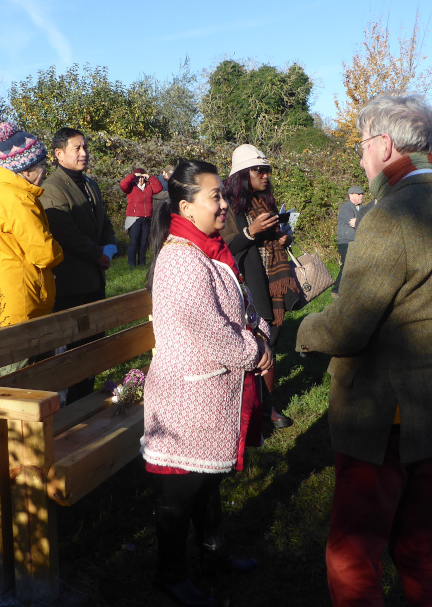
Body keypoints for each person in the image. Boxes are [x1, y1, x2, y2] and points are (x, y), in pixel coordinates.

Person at [295, 94, 432, 606]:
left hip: (386, 419)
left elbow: (346, 329)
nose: (360, 159)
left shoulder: (391, 216)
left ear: (383, 144)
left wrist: (298, 332)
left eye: (362, 146)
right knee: (421, 548)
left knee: (353, 556)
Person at [141, 160, 271, 606]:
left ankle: (213, 555)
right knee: (180, 492)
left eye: (220, 195)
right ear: (185, 206)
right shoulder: (180, 258)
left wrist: (259, 331)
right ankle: (170, 574)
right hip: (185, 400)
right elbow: (209, 330)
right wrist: (255, 352)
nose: (223, 203)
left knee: (207, 482)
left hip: (211, 395)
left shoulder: (212, 249)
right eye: (214, 196)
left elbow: (243, 305)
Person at [221, 144, 300, 429]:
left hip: (270, 276)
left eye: (267, 170)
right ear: (243, 174)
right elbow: (225, 247)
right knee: (260, 339)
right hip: (245, 280)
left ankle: (264, 406)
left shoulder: (264, 202)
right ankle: (259, 408)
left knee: (272, 334)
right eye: (258, 170)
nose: (265, 175)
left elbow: (269, 240)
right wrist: (249, 232)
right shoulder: (226, 204)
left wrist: (281, 239)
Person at [0, 122, 63, 335]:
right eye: (41, 164)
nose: (45, 170)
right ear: (25, 170)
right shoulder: (19, 200)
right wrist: (60, 248)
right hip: (22, 302)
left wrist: (1, 250)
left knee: (8, 364)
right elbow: (45, 255)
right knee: (24, 366)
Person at [40, 127, 117, 403]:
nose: (84, 153)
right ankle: (73, 407)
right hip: (71, 285)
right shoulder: (52, 188)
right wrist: (98, 254)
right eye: (77, 148)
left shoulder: (90, 184)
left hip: (95, 279)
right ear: (59, 154)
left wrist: (109, 245)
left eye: (85, 147)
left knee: (94, 345)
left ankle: (87, 401)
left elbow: (104, 221)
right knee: (74, 350)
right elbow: (66, 234)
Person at [120, 167, 163, 267]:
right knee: (134, 242)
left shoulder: (148, 186)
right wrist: (132, 176)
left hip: (147, 217)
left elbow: (159, 188)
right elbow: (122, 184)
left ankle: (142, 263)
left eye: (142, 177)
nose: (140, 179)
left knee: (143, 242)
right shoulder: (131, 187)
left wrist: (150, 177)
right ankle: (131, 264)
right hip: (134, 218)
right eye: (138, 177)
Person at [332, 185, 367, 298]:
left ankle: (351, 291)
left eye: (362, 194)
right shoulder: (346, 208)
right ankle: (336, 291)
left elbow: (365, 221)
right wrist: (362, 220)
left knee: (357, 266)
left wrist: (360, 220)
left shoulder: (362, 208)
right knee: (346, 265)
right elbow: (353, 223)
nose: (361, 196)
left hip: (358, 241)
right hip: (346, 241)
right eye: (358, 194)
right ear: (351, 195)